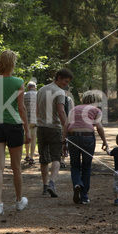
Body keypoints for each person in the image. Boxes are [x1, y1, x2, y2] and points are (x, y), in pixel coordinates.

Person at [0, 50, 30, 216]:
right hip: (14, 126)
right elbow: (21, 108)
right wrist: (27, 130)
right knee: (16, 167)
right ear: (13, 63)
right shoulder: (18, 82)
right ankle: (19, 202)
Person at [63, 92, 108, 205]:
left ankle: (77, 184)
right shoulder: (96, 110)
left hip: (72, 137)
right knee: (87, 167)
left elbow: (66, 125)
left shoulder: (74, 109)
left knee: (75, 165)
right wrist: (104, 141)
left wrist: (63, 141)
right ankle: (84, 196)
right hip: (88, 137)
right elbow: (99, 127)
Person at [36, 68, 73, 197]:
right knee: (56, 157)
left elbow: (36, 109)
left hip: (40, 127)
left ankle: (45, 186)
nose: (66, 84)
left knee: (44, 158)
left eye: (67, 82)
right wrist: (66, 127)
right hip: (54, 127)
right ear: (58, 78)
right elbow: (61, 111)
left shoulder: (41, 90)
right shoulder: (60, 92)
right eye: (64, 81)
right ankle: (52, 183)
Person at [23, 81, 38, 166]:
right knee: (33, 138)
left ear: (28, 87)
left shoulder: (24, 95)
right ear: (35, 87)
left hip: (26, 120)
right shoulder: (38, 95)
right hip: (35, 120)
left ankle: (27, 155)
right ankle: (32, 157)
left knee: (27, 137)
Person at [59, 90, 75, 169]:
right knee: (64, 140)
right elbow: (72, 112)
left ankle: (57, 159)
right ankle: (62, 160)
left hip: (56, 123)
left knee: (58, 140)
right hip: (66, 122)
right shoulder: (69, 99)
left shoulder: (54, 98)